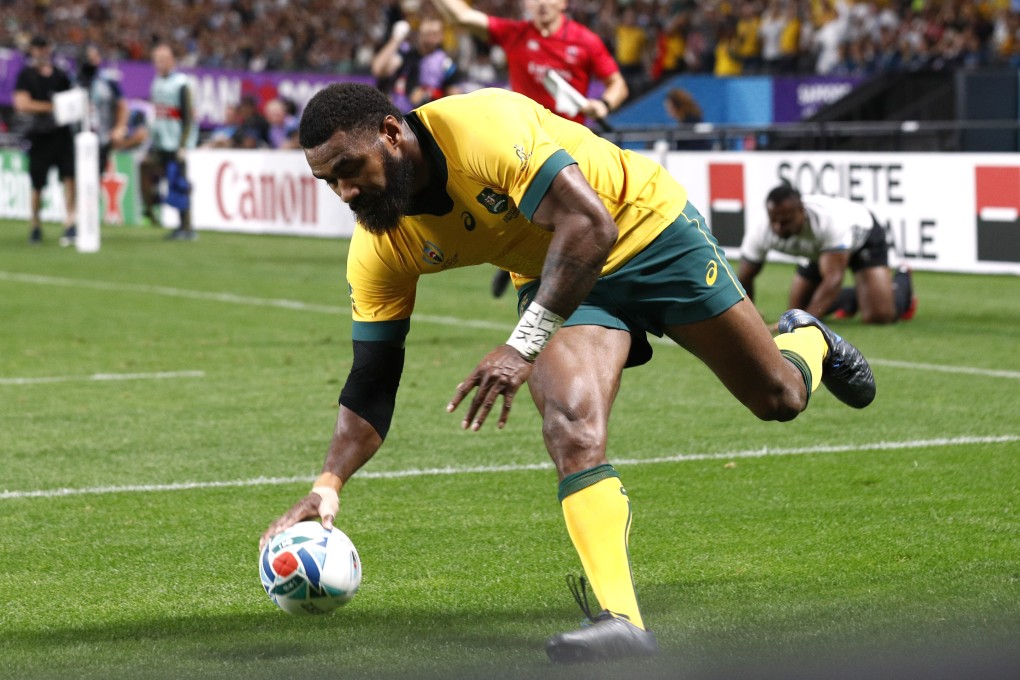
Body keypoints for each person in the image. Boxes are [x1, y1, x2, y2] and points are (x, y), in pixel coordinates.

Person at [260, 83, 878, 663]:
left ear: (391, 133)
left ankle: (807, 339)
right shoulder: (381, 245)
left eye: (350, 169)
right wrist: (328, 485)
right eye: (328, 180)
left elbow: (591, 223)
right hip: (561, 279)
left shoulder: (483, 129)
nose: (345, 192)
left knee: (779, 397)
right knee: (571, 427)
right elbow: (372, 379)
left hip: (647, 230)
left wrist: (522, 344)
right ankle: (622, 619)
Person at [428, 0, 629, 298]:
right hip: (522, 144)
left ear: (564, 3)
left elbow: (618, 84)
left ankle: (534, 274)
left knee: (575, 219)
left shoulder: (585, 40)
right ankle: (528, 274)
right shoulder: (515, 34)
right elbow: (462, 16)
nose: (542, 3)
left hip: (569, 146)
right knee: (534, 214)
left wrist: (604, 104)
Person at [737, 184, 917, 325]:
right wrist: (750, 317)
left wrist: (804, 323)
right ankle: (858, 297)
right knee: (796, 310)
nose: (778, 227)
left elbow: (833, 278)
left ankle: (902, 279)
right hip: (816, 252)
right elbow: (744, 277)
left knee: (879, 316)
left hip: (863, 239)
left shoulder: (828, 221)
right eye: (774, 221)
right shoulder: (760, 228)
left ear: (802, 211)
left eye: (785, 222)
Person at [13, 35, 77, 246]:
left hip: (62, 134)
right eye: (37, 48)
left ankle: (70, 222)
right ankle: (35, 225)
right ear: (32, 50)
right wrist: (52, 107)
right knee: (38, 184)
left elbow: (72, 100)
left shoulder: (60, 74)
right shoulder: (26, 75)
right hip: (39, 135)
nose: (41, 52)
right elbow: (22, 104)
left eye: (44, 47)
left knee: (69, 178)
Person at [140, 43, 198, 240]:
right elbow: (157, 114)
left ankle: (186, 227)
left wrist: (183, 145)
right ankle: (151, 209)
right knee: (146, 168)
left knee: (179, 182)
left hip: (175, 143)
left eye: (163, 59)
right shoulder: (156, 83)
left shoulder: (181, 84)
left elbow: (188, 117)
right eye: (157, 60)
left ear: (172, 60)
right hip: (160, 142)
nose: (160, 64)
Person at [371, 16, 463, 113]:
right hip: (399, 114)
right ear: (419, 34)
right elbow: (378, 69)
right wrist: (396, 39)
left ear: (441, 36)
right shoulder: (406, 54)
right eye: (427, 33)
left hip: (426, 116)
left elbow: (455, 97)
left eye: (434, 33)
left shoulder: (446, 63)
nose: (430, 37)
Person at [79, 44, 129, 177]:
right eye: (88, 56)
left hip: (102, 136)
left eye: (94, 56)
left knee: (96, 174)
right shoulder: (75, 80)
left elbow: (122, 104)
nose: (91, 60)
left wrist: (119, 127)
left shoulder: (106, 80)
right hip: (78, 137)